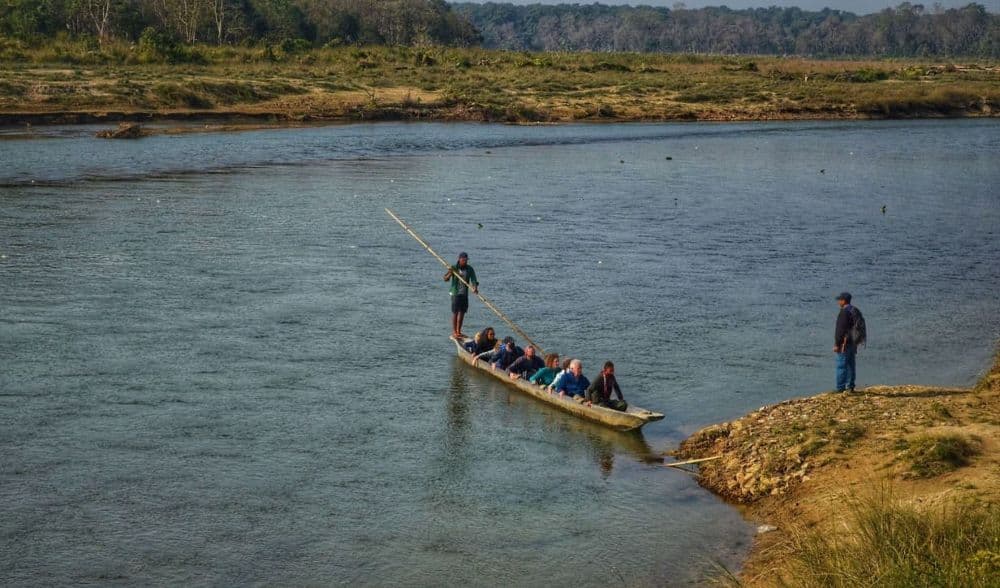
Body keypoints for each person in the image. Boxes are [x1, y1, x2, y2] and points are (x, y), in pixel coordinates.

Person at [444, 252, 478, 339]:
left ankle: (459, 331)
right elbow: (445, 278)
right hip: (455, 293)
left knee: (462, 312)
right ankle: (454, 331)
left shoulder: (469, 269)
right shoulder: (454, 268)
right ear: (459, 259)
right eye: (463, 260)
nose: (465, 262)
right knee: (455, 312)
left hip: (464, 293)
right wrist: (451, 273)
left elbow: (474, 280)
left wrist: (475, 288)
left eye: (466, 260)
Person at [834, 291, 858, 393]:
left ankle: (840, 388)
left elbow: (840, 329)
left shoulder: (844, 312)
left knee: (841, 365)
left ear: (843, 301)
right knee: (851, 364)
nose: (838, 302)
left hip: (844, 343)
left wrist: (837, 344)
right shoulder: (854, 310)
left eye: (839, 300)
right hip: (853, 341)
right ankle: (850, 386)